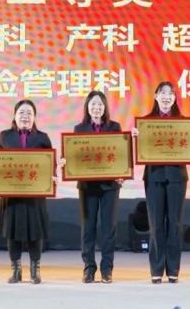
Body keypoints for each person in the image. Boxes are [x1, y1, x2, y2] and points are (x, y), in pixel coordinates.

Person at [131, 81, 188, 284]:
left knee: (175, 224)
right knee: (155, 224)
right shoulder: (145, 123)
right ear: (156, 96)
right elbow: (138, 150)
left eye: (170, 93)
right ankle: (156, 269)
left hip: (177, 177)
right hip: (154, 176)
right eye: (162, 93)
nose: (166, 97)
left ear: (174, 98)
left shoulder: (185, 123)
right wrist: (135, 138)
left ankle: (173, 269)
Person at [0, 100, 52, 284]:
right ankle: (16, 270)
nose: (25, 116)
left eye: (29, 113)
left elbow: (49, 165)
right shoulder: (4, 136)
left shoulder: (42, 138)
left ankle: (35, 270)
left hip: (35, 195)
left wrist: (54, 175)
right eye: (21, 112)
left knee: (35, 231)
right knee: (12, 231)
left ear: (34, 117)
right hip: (11, 195)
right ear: (14, 115)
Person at [75, 91, 122, 284]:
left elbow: (120, 153)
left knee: (108, 228)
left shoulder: (114, 127)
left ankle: (107, 269)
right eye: (93, 104)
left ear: (105, 107)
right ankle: (89, 268)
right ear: (87, 107)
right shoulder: (79, 129)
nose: (97, 108)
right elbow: (75, 155)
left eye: (100, 104)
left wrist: (123, 172)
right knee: (88, 228)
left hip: (110, 185)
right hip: (87, 186)